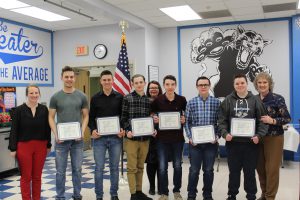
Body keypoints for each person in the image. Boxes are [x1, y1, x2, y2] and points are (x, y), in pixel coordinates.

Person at [218, 73, 268, 200]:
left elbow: (262, 121)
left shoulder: (256, 100)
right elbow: (221, 121)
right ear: (234, 85)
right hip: (233, 143)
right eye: (237, 83)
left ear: (247, 84)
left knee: (249, 172)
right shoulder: (227, 100)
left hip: (251, 144)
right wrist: (225, 133)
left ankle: (251, 195)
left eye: (242, 83)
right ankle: (232, 194)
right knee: (234, 172)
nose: (240, 85)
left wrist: (259, 135)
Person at [48, 66, 89, 200]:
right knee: (60, 171)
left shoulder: (82, 96)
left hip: (77, 140)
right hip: (61, 141)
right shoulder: (55, 97)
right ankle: (60, 196)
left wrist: (82, 132)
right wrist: (56, 134)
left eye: (71, 77)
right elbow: (51, 117)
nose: (69, 79)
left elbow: (86, 116)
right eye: (66, 77)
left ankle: (77, 195)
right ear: (62, 78)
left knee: (77, 169)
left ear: (74, 78)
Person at [9, 84, 51, 200]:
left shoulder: (43, 109)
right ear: (27, 94)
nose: (34, 95)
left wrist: (49, 144)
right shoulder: (19, 110)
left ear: (39, 94)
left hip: (41, 146)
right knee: (26, 177)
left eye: (36, 93)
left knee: (37, 176)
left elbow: (47, 128)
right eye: (31, 93)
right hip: (24, 147)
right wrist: (13, 148)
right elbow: (14, 130)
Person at [253, 72, 291, 200]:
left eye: (265, 82)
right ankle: (264, 193)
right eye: (259, 82)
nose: (262, 85)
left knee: (272, 170)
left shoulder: (277, 98)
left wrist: (273, 120)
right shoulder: (253, 99)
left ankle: (270, 197)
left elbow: (287, 118)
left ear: (269, 84)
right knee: (260, 168)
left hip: (274, 138)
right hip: (258, 138)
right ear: (256, 84)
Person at [88, 70, 124, 200]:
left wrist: (122, 129)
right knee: (99, 168)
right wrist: (92, 130)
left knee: (114, 168)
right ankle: (99, 195)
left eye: (109, 79)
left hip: (116, 138)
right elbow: (91, 117)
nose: (107, 82)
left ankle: (114, 194)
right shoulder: (95, 98)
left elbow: (123, 117)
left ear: (113, 80)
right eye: (104, 80)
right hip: (99, 139)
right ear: (101, 81)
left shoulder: (120, 97)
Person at [151, 75, 187, 200]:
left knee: (177, 166)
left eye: (172, 84)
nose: (170, 87)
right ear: (164, 85)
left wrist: (184, 119)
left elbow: (185, 116)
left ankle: (176, 191)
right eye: (167, 84)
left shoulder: (182, 100)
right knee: (162, 167)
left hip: (178, 139)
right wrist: (154, 119)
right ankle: (164, 193)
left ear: (175, 85)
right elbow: (152, 115)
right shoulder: (158, 100)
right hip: (162, 140)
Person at [184, 76, 220, 200]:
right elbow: (187, 122)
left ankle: (207, 194)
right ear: (197, 87)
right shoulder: (191, 102)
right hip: (195, 144)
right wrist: (190, 137)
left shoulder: (216, 103)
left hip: (211, 143)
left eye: (205, 84)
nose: (203, 87)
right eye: (201, 85)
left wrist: (217, 136)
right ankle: (191, 194)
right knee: (194, 170)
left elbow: (220, 122)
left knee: (209, 170)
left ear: (210, 86)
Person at [121, 74, 153, 200]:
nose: (139, 84)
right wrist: (127, 130)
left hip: (145, 139)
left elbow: (150, 118)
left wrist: (152, 128)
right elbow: (123, 118)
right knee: (132, 167)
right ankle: (133, 194)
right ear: (132, 84)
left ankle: (139, 191)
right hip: (131, 139)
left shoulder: (148, 100)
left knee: (140, 166)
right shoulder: (127, 98)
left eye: (141, 82)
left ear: (145, 83)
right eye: (136, 82)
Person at [145, 80, 163, 195]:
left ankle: (161, 187)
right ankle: (152, 186)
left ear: (159, 89)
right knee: (151, 164)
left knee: (161, 163)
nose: (153, 89)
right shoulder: (145, 101)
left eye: (156, 87)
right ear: (148, 89)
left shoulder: (164, 100)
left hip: (162, 136)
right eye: (151, 88)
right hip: (148, 137)